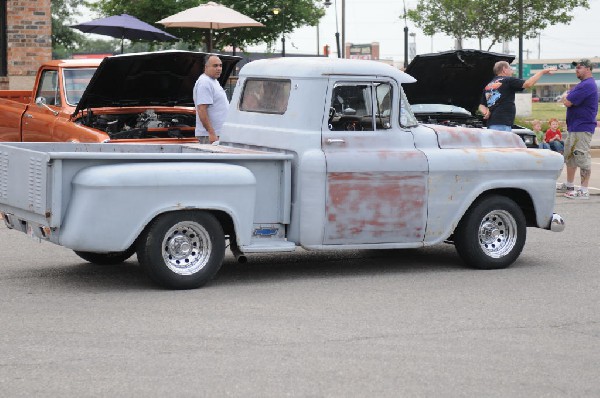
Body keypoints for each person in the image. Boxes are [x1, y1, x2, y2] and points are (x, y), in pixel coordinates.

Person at [556, 59, 599, 200]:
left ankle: (584, 190)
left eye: (579, 68)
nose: (576, 70)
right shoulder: (582, 85)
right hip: (574, 127)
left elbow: (567, 101)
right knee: (570, 156)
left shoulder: (587, 85)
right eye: (576, 68)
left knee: (581, 156)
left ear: (588, 69)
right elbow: (568, 99)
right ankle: (569, 185)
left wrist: (565, 97)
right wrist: (566, 97)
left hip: (583, 126)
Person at [479, 61, 556, 132]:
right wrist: (542, 72)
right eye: (510, 68)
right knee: (504, 146)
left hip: (492, 124)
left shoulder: (489, 85)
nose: (512, 71)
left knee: (496, 146)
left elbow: (481, 105)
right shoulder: (508, 80)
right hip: (502, 124)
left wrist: (486, 112)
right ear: (504, 69)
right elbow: (528, 84)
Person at [193, 55, 229, 143]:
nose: (219, 68)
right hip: (210, 136)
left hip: (218, 133)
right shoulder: (205, 82)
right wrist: (211, 133)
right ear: (206, 67)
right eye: (215, 66)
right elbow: (202, 109)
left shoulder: (213, 81)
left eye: (220, 65)